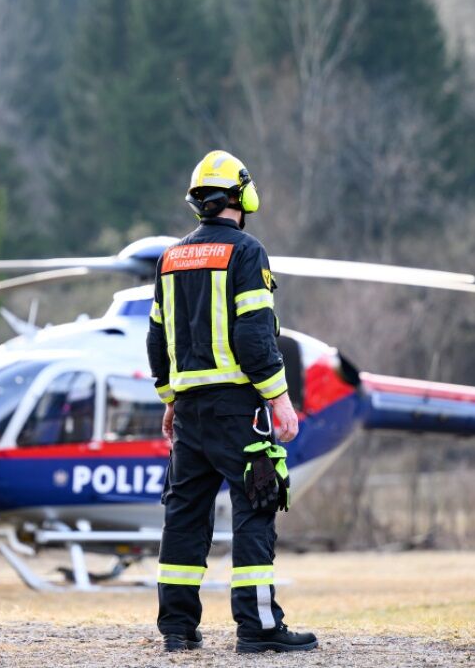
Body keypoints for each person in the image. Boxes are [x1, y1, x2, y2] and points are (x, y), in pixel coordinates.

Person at [146, 150, 318, 654]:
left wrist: (170, 398)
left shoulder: (170, 259)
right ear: (243, 195)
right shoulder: (246, 252)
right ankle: (258, 627)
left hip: (189, 413)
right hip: (238, 410)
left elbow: (157, 341)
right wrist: (279, 398)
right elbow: (254, 335)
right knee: (255, 507)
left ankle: (177, 628)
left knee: (184, 516)